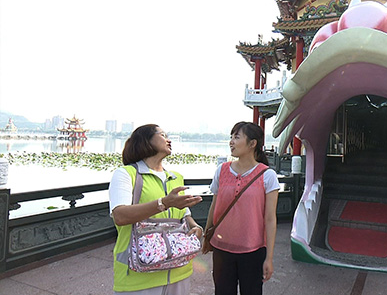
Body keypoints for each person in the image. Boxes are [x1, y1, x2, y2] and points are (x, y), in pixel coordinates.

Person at [108, 124, 203, 294]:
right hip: (139, 275)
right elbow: (120, 216)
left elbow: (185, 215)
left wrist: (195, 226)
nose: (169, 139)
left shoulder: (175, 177)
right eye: (162, 134)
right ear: (146, 140)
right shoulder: (126, 174)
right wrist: (164, 203)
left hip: (179, 270)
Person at [203, 122, 279, 295]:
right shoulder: (221, 171)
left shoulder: (268, 176)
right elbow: (214, 206)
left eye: (236, 137)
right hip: (221, 249)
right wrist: (208, 234)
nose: (231, 142)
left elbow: (270, 218)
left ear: (252, 144)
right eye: (231, 137)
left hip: (253, 250)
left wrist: (269, 257)